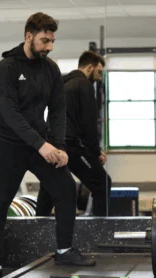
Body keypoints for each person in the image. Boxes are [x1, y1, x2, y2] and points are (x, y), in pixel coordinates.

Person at [0, 12, 96, 278]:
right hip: (6, 143)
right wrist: (42, 144)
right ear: (28, 36)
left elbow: (58, 111)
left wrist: (58, 147)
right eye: (45, 40)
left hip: (40, 143)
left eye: (52, 41)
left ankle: (64, 250)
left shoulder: (50, 70)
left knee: (66, 189)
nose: (49, 46)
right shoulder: (7, 68)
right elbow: (10, 113)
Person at [36, 51, 112, 216]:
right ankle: (100, 233)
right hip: (70, 146)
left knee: (48, 190)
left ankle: (36, 232)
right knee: (102, 183)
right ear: (90, 67)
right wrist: (95, 152)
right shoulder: (83, 85)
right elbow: (89, 124)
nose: (99, 78)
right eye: (98, 72)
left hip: (52, 145)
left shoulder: (63, 84)